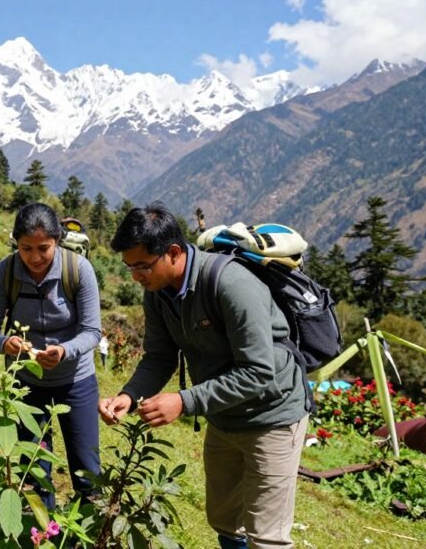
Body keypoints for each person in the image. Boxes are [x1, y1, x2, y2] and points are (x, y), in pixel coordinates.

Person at [98, 203, 309, 549]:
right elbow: (159, 357)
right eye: (129, 266)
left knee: (266, 536)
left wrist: (183, 402)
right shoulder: (158, 292)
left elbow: (258, 371)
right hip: (224, 417)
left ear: (174, 253)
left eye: (142, 266)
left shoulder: (232, 285)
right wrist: (129, 396)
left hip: (273, 416)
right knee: (225, 521)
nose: (135, 276)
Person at [0, 203, 102, 510]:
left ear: (57, 241)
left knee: (87, 472)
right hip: (26, 386)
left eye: (43, 248)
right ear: (15, 244)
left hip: (76, 382)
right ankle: (40, 534)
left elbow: (92, 331)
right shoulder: (5, 272)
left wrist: (64, 351)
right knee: (32, 471)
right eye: (26, 248)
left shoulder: (78, 270)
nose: (34, 257)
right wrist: (5, 343)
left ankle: (89, 535)